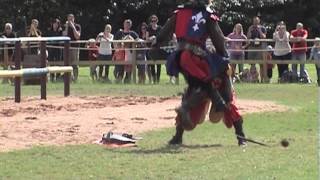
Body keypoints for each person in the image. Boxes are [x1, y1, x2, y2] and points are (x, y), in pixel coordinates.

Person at [153, 0, 247, 146]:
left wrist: (156, 44)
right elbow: (219, 41)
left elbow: (163, 34)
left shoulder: (179, 13)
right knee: (220, 78)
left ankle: (178, 134)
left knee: (196, 88)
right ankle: (240, 134)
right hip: (196, 58)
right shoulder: (207, 14)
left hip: (180, 57)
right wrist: (224, 58)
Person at [246, 16, 267, 82]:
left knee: (261, 64)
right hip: (252, 47)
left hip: (260, 48)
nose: (255, 22)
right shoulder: (251, 28)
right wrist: (249, 30)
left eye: (256, 21)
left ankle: (262, 80)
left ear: (259, 21)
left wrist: (259, 30)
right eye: (254, 21)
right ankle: (253, 79)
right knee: (252, 64)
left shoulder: (263, 28)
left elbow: (263, 37)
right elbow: (248, 37)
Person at [63, 14, 81, 82]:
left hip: (75, 47)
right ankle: (69, 79)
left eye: (71, 19)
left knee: (75, 64)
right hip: (67, 47)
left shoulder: (77, 26)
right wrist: (67, 27)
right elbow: (64, 35)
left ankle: (75, 79)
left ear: (74, 19)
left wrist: (73, 27)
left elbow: (77, 37)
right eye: (69, 19)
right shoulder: (65, 26)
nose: (70, 20)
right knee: (68, 63)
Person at [146, 15, 164, 84]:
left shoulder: (160, 28)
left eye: (155, 20)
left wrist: (156, 38)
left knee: (158, 65)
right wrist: (151, 38)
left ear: (157, 21)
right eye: (152, 21)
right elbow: (146, 38)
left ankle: (158, 80)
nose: (153, 22)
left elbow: (162, 36)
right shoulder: (149, 28)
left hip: (158, 48)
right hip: (151, 48)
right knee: (152, 64)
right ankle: (154, 80)